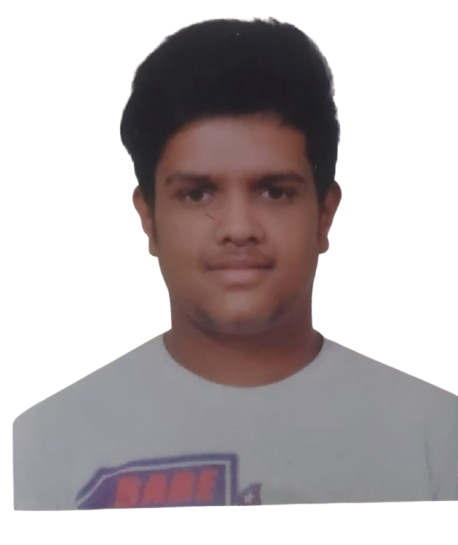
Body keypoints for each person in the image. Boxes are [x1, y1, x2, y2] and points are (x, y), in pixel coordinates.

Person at [12, 17, 457, 510]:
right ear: (149, 219)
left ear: (324, 215)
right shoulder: (47, 443)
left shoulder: (436, 435)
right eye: (197, 193)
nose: (238, 227)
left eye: (274, 191)